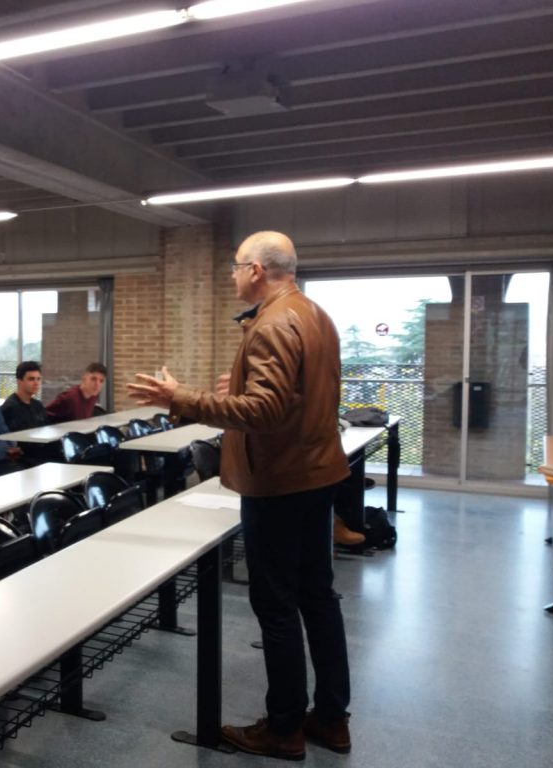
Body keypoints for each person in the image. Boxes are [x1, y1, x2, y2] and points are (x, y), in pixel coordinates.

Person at [127, 231, 352, 760]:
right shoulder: (314, 314)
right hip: (316, 473)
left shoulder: (272, 323)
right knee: (318, 597)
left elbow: (265, 412)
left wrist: (181, 397)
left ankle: (284, 727)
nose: (231, 275)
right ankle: (332, 717)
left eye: (235, 266)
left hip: (279, 481)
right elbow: (298, 396)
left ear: (256, 270)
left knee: (276, 604)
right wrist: (244, 390)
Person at [0, 361, 48, 431]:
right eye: (31, 379)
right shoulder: (9, 408)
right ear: (19, 382)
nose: (36, 383)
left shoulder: (38, 405)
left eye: (38, 379)